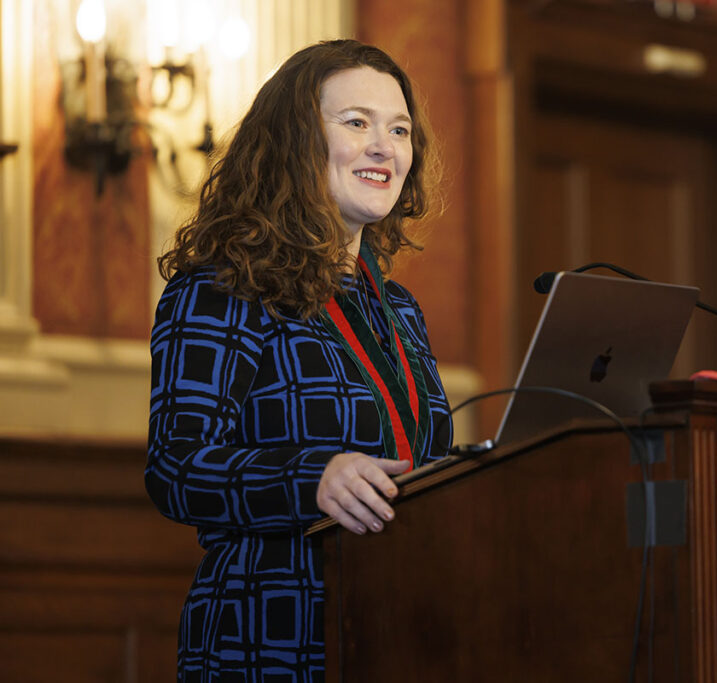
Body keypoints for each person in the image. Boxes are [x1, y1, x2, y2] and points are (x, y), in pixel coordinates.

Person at [145, 39, 453, 681]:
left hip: (398, 632)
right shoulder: (224, 288)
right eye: (356, 123)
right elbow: (176, 468)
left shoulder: (398, 309)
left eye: (399, 129)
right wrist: (312, 477)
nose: (384, 146)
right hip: (272, 637)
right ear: (294, 142)